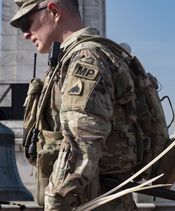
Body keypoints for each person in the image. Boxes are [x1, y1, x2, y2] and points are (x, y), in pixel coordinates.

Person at [10, 0, 139, 210]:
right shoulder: (76, 57)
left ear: (53, 11)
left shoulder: (85, 58)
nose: (25, 34)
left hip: (91, 203)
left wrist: (57, 202)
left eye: (26, 23)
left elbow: (81, 142)